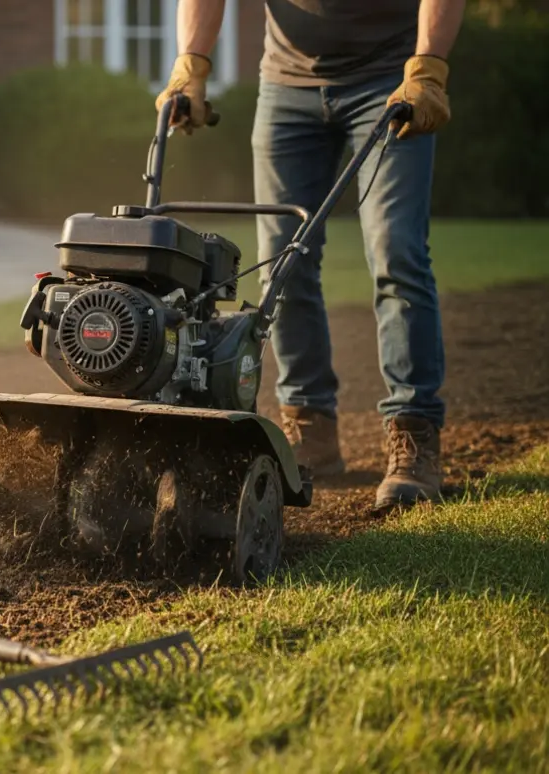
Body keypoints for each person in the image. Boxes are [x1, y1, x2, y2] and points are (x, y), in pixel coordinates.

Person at [155, 0, 465, 511]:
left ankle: (414, 435)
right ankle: (309, 424)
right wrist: (191, 64)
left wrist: (428, 66)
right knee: (282, 263)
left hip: (390, 81)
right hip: (285, 86)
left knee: (397, 252)